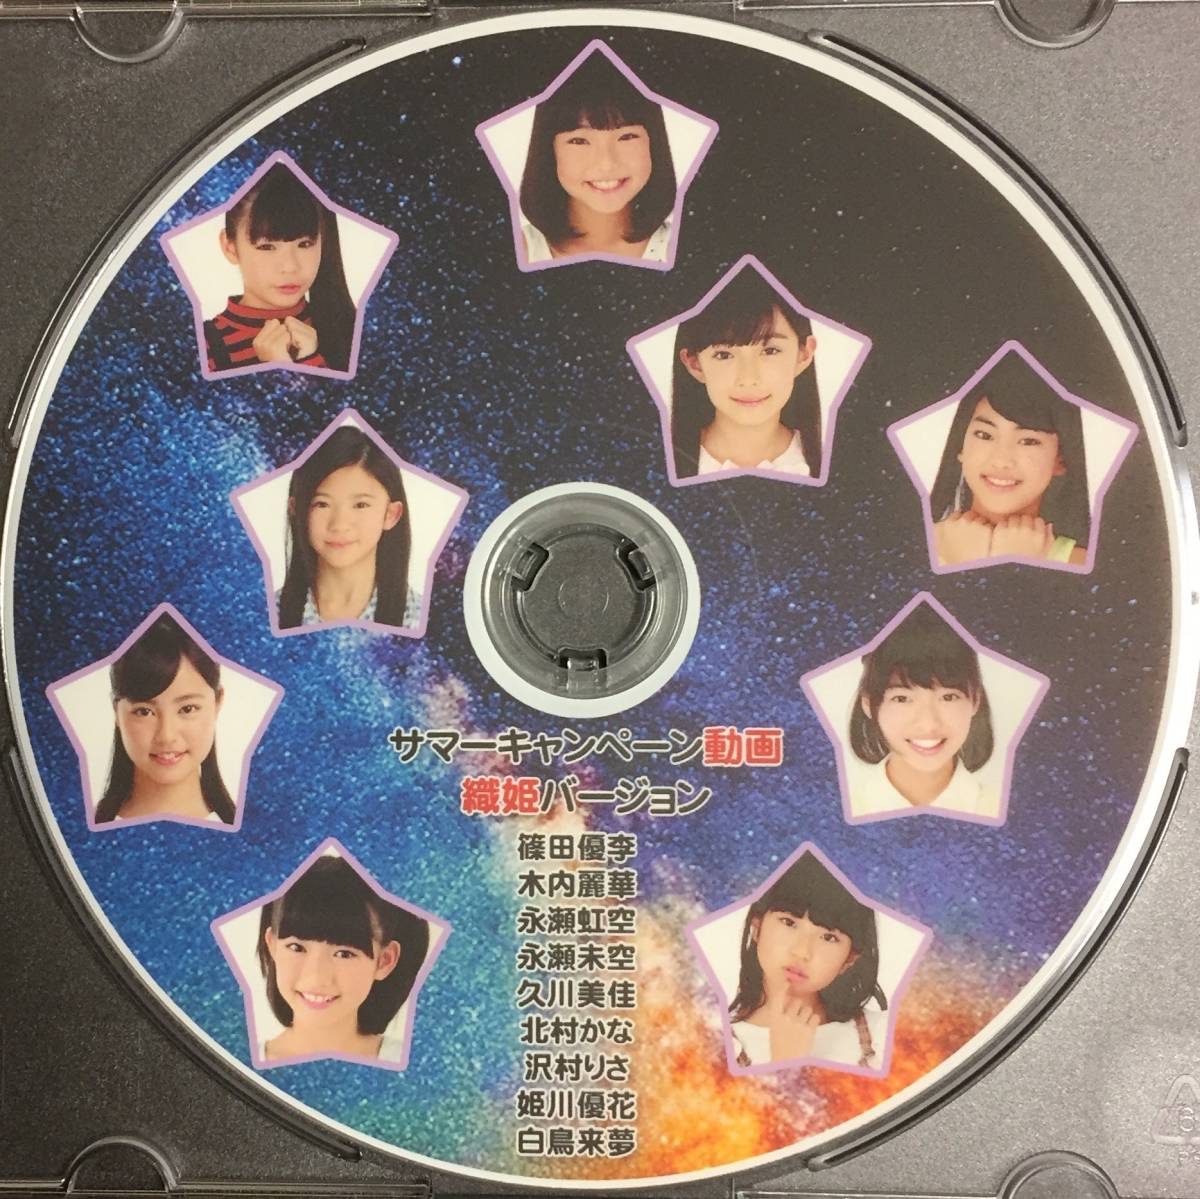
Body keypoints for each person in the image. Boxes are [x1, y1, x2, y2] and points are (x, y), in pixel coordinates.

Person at [255, 855, 431, 1064]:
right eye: (297, 947)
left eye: (344, 954)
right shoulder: (241, 1061)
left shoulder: (418, 1068)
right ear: (272, 945)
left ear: (385, 961)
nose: (316, 977)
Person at [728, 851, 887, 1069]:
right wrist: (786, 1063)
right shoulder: (710, 1046)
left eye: (828, 937)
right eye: (789, 922)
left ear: (850, 959)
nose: (802, 952)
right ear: (757, 927)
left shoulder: (886, 1035)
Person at [929, 350, 1090, 565]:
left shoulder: (1082, 564)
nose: (1002, 460)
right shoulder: (912, 546)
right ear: (960, 446)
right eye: (984, 435)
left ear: (1060, 459)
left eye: (1028, 441)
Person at [518, 52, 676, 264]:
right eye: (579, 141)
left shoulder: (692, 249)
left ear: (654, 144)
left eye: (626, 137)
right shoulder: (514, 251)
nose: (606, 164)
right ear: (549, 151)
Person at [205, 161, 355, 374]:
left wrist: (308, 361)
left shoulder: (353, 331)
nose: (290, 267)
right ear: (230, 247)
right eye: (267, 246)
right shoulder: (205, 347)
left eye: (305, 244)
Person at [848, 603, 995, 818]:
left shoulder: (1008, 813)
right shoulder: (837, 813)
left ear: (975, 700)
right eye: (902, 699)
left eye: (948, 697)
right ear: (869, 704)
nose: (928, 725)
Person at [672, 268, 821, 479]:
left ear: (803, 355)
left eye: (770, 351)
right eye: (723, 355)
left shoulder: (839, 464)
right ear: (695, 364)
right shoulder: (658, 462)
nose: (748, 379)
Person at [95, 612, 234, 825]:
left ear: (217, 703)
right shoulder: (72, 831)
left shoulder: (258, 833)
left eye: (187, 709)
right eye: (144, 711)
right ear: (116, 712)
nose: (166, 736)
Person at [277, 426, 419, 630]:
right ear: (296, 509)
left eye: (360, 505)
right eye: (322, 504)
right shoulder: (263, 615)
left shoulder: (420, 618)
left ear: (391, 514)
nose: (339, 525)